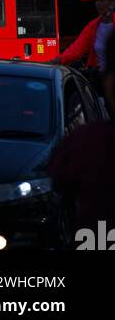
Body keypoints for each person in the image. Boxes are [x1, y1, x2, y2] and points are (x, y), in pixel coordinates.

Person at [49, 31, 115, 242]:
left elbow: (59, 185)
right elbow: (78, 47)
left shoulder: (85, 144)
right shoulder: (94, 26)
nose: (100, 3)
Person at [54, 0, 115, 76]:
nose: (98, 4)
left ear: (112, 2)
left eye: (102, 0)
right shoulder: (93, 26)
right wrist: (53, 62)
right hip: (101, 80)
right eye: (96, 0)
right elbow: (75, 50)